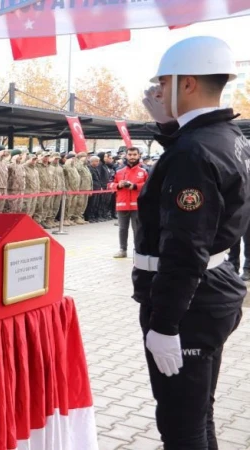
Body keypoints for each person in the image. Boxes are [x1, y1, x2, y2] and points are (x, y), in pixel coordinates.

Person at [134, 36, 249, 450]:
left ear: (187, 84)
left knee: (181, 426)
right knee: (199, 413)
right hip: (211, 292)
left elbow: (184, 248)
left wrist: (165, 325)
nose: (157, 92)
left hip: (187, 307)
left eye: (163, 83)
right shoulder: (225, 135)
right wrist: (168, 127)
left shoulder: (194, 151)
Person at [109, 147, 148, 258]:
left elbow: (149, 185)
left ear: (139, 155)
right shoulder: (118, 170)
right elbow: (109, 184)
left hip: (137, 205)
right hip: (122, 204)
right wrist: (118, 185)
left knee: (137, 229)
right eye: (130, 154)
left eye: (134, 154)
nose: (132, 157)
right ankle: (122, 249)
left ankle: (138, 250)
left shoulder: (144, 171)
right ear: (126, 155)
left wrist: (135, 186)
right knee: (122, 229)